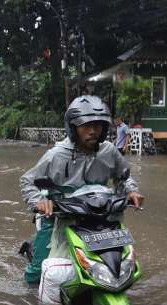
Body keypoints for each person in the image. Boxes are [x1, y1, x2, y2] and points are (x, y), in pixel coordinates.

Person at [20, 95, 145, 284]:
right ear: (73, 127)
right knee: (38, 272)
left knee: (123, 260)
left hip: (99, 214)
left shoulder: (109, 151)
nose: (93, 131)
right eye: (86, 125)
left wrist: (131, 191)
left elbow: (123, 177)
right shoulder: (56, 155)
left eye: (98, 125)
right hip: (60, 215)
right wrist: (39, 201)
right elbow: (28, 181)